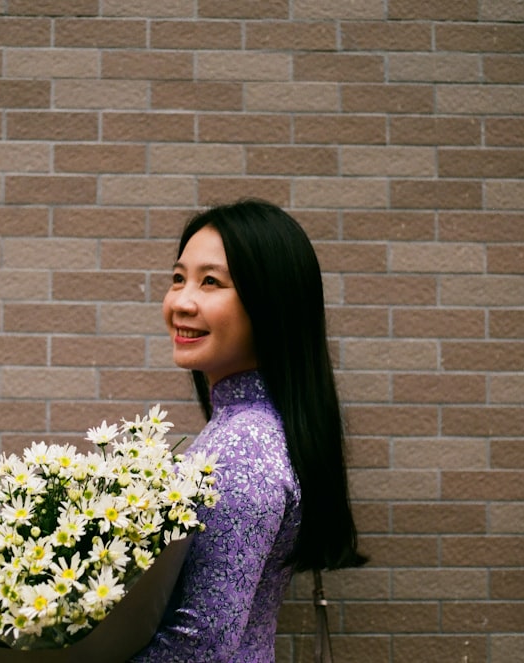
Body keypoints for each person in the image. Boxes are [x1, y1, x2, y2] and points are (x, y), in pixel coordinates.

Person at [130, 199, 366, 663]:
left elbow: (200, 646)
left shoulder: (243, 451)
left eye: (210, 281)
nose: (182, 301)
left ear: (269, 303)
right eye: (179, 278)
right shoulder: (246, 428)